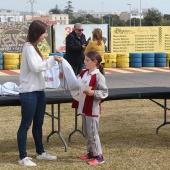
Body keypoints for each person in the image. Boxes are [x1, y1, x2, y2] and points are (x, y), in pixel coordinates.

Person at [17, 20, 61, 167]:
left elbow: (40, 67)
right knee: (26, 125)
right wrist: (51, 60)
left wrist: (50, 62)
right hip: (29, 92)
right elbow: (36, 67)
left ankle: (40, 153)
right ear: (37, 32)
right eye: (44, 32)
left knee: (39, 123)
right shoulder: (28, 47)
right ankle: (23, 157)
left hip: (39, 91)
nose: (45, 35)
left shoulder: (35, 47)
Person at [72, 51, 108, 166]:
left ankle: (99, 156)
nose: (84, 62)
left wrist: (93, 93)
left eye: (87, 60)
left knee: (93, 132)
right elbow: (76, 83)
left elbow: (104, 92)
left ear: (95, 62)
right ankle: (91, 152)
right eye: (85, 60)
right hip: (83, 106)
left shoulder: (99, 76)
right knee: (86, 132)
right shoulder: (83, 73)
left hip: (92, 108)